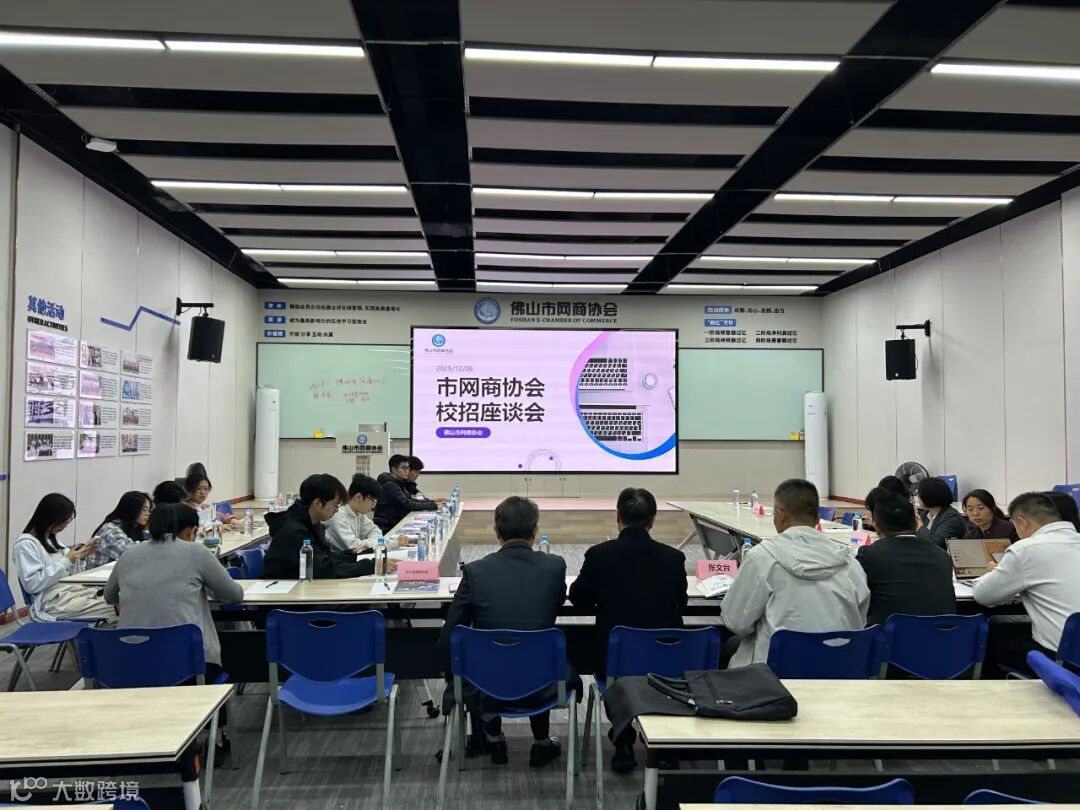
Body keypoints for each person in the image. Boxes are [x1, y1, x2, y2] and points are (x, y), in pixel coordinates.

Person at [105, 502, 244, 758]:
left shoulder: (130, 553)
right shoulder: (196, 552)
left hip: (130, 663)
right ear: (189, 530)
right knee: (213, 651)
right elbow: (234, 595)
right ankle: (217, 738)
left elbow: (109, 596)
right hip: (187, 664)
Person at [438, 496, 568, 768]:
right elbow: (552, 607)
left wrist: (452, 676)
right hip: (542, 678)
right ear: (535, 531)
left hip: (486, 680)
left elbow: (451, 633)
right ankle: (541, 743)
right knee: (533, 649)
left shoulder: (475, 572)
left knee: (488, 657)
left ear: (496, 531)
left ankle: (493, 738)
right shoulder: (555, 567)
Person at [568, 487, 687, 772]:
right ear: (653, 520)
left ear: (618, 517)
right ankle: (664, 743)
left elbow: (578, 598)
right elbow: (680, 603)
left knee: (608, 660)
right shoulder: (674, 558)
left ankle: (623, 739)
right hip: (668, 662)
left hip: (615, 662)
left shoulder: (599, 555)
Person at [721, 479, 869, 668]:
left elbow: (735, 621)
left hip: (774, 676)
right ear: (817, 518)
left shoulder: (762, 558)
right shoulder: (850, 564)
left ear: (780, 513)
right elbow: (858, 622)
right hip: (839, 672)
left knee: (729, 648)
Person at [973, 492, 1080, 676]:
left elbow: (984, 596)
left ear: (1022, 523)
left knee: (994, 637)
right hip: (1072, 646)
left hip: (1064, 661)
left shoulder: (1025, 549)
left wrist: (993, 572)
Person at [856, 494, 955, 627]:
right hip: (944, 635)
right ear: (916, 523)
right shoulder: (942, 555)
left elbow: (855, 596)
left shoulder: (869, 555)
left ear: (877, 527)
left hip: (892, 636)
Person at [13, 493, 114, 622]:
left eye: (67, 521)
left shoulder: (51, 540)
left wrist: (82, 557)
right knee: (117, 609)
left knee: (121, 601)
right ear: (49, 518)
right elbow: (33, 584)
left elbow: (72, 574)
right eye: (63, 521)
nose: (64, 526)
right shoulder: (25, 544)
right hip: (53, 602)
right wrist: (67, 560)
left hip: (71, 592)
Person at [263, 473, 376, 579]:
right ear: (318, 503)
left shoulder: (312, 523)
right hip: (282, 590)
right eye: (335, 505)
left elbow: (326, 557)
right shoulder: (294, 530)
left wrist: (354, 554)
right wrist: (370, 566)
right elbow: (323, 569)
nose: (337, 510)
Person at [77, 491, 152, 571]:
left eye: (149, 510)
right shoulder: (110, 531)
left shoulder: (134, 528)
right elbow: (133, 555)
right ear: (131, 509)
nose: (148, 514)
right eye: (144, 510)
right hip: (97, 577)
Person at [373, 455, 438, 533]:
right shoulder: (390, 485)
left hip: (396, 523)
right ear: (394, 469)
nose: (407, 471)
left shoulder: (399, 483)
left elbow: (410, 499)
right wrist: (432, 505)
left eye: (408, 468)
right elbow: (407, 504)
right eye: (404, 468)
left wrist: (431, 502)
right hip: (387, 527)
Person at [325, 473, 381, 553]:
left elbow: (374, 530)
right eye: (373, 501)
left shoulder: (358, 513)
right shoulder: (338, 515)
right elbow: (354, 547)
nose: (373, 505)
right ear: (358, 497)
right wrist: (376, 543)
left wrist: (371, 543)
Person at [914, 477, 967, 549]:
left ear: (928, 496)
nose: (917, 496)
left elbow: (933, 544)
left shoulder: (952, 518)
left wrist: (919, 525)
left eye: (919, 493)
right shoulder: (926, 513)